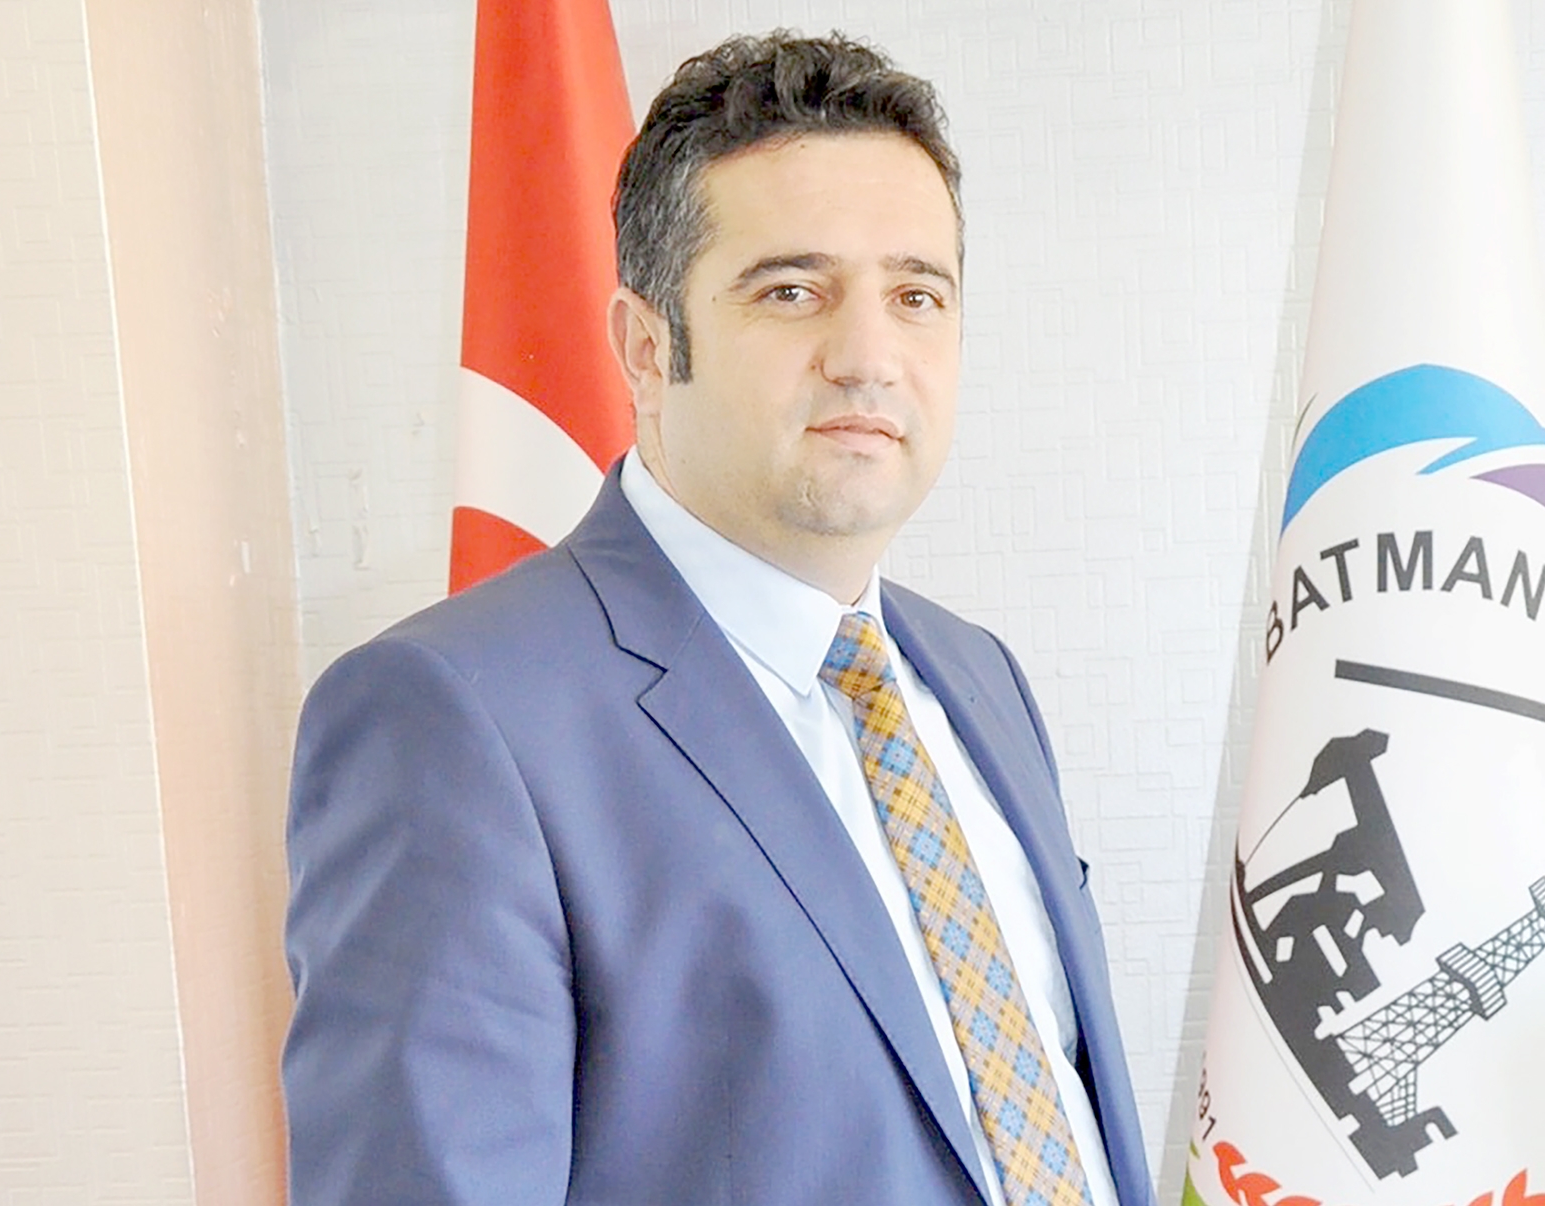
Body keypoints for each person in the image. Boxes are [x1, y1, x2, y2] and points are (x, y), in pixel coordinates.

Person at [283, 31, 1154, 1206]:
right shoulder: (451, 721)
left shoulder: (975, 676)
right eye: (791, 291)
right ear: (645, 348)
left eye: (915, 295)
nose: (867, 356)